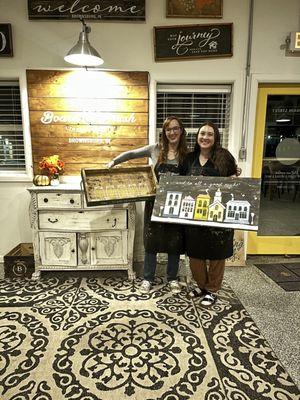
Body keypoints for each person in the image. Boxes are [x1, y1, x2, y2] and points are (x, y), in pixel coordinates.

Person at [107, 116, 188, 294]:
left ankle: (172, 278)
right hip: (154, 202)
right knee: (151, 240)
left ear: (181, 131)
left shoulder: (187, 154)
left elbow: (206, 163)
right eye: (168, 129)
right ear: (164, 132)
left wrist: (232, 170)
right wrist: (113, 162)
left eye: (175, 129)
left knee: (174, 241)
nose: (172, 132)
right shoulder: (155, 149)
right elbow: (131, 154)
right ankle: (148, 278)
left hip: (176, 205)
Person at [181, 121, 238, 306]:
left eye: (209, 134)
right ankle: (202, 286)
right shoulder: (188, 159)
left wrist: (234, 178)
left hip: (217, 214)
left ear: (215, 138)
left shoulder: (224, 157)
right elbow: (181, 183)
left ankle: (212, 290)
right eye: (202, 133)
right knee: (195, 253)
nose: (205, 137)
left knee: (216, 253)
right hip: (194, 216)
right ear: (197, 136)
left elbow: (233, 182)